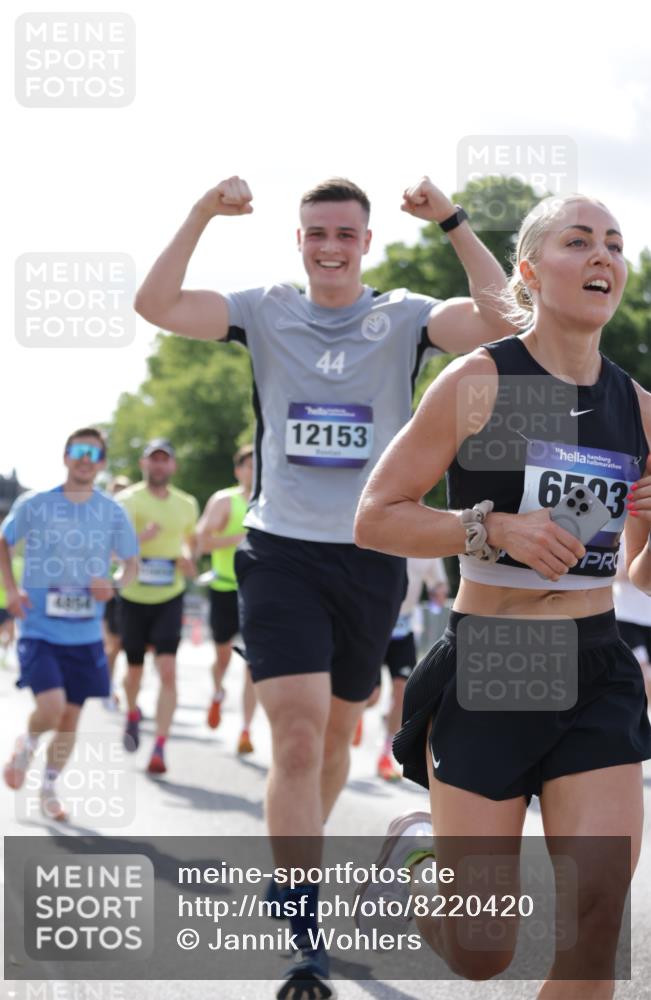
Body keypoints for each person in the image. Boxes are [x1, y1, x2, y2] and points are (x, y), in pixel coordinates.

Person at [134, 173, 513, 997]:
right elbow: (155, 304)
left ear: (366, 242)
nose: (330, 247)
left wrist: (451, 221)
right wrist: (200, 212)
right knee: (299, 739)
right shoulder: (265, 310)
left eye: (344, 234)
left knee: (339, 734)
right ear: (298, 241)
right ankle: (303, 925)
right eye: (316, 233)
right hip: (279, 552)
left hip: (371, 552)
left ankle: (293, 864)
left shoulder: (404, 317)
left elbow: (505, 318)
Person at [354, 194, 651, 998]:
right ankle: (418, 860)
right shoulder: (481, 378)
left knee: (595, 928)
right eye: (577, 241)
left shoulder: (636, 408)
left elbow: (637, 572)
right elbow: (375, 518)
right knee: (480, 951)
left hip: (596, 666)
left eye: (613, 243)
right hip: (498, 661)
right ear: (529, 269)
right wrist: (490, 529)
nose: (602, 256)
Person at [0, 428, 137, 821]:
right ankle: (27, 745)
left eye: (93, 453)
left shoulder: (112, 512)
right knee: (52, 707)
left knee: (71, 718)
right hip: (40, 628)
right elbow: (2, 541)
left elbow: (131, 564)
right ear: (65, 457)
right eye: (78, 450)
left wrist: (113, 585)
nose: (85, 458)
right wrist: (11, 590)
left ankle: (49, 788)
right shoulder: (36, 504)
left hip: (86, 635)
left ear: (102, 463)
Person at [117, 439, 199, 774]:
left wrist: (189, 558)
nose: (159, 465)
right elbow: (113, 548)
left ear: (173, 466)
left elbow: (191, 541)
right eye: (154, 459)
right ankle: (132, 712)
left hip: (169, 595)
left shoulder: (187, 504)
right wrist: (142, 539)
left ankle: (160, 747)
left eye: (165, 460)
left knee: (167, 670)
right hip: (133, 596)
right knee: (134, 671)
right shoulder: (127, 500)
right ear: (144, 464)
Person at [197, 444, 257, 754]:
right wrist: (239, 539)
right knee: (223, 657)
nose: (254, 470)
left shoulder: (271, 504)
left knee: (253, 663)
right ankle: (218, 692)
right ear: (238, 470)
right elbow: (203, 542)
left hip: (257, 592)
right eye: (248, 465)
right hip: (224, 588)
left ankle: (246, 730)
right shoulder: (225, 501)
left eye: (258, 463)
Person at [373, 557, 448, 781]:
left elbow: (439, 583)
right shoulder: (384, 539)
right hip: (373, 623)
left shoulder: (427, 548)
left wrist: (438, 592)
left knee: (402, 691)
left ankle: (385, 755)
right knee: (370, 696)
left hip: (403, 629)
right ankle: (354, 710)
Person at [101, 474, 132, 709]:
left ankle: (119, 686)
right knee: (112, 642)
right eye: (117, 490)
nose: (120, 495)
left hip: (128, 589)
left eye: (125, 490)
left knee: (122, 644)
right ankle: (108, 687)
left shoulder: (130, 521)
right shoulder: (103, 519)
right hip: (106, 588)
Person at [615, 532, 651, 701]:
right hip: (626, 617)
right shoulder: (620, 534)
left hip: (648, 618)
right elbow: (610, 573)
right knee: (640, 674)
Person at [0, 553, 24, 666]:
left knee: (11, 633)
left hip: (10, 603)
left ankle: (4, 653)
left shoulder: (19, 563)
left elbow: (21, 581)